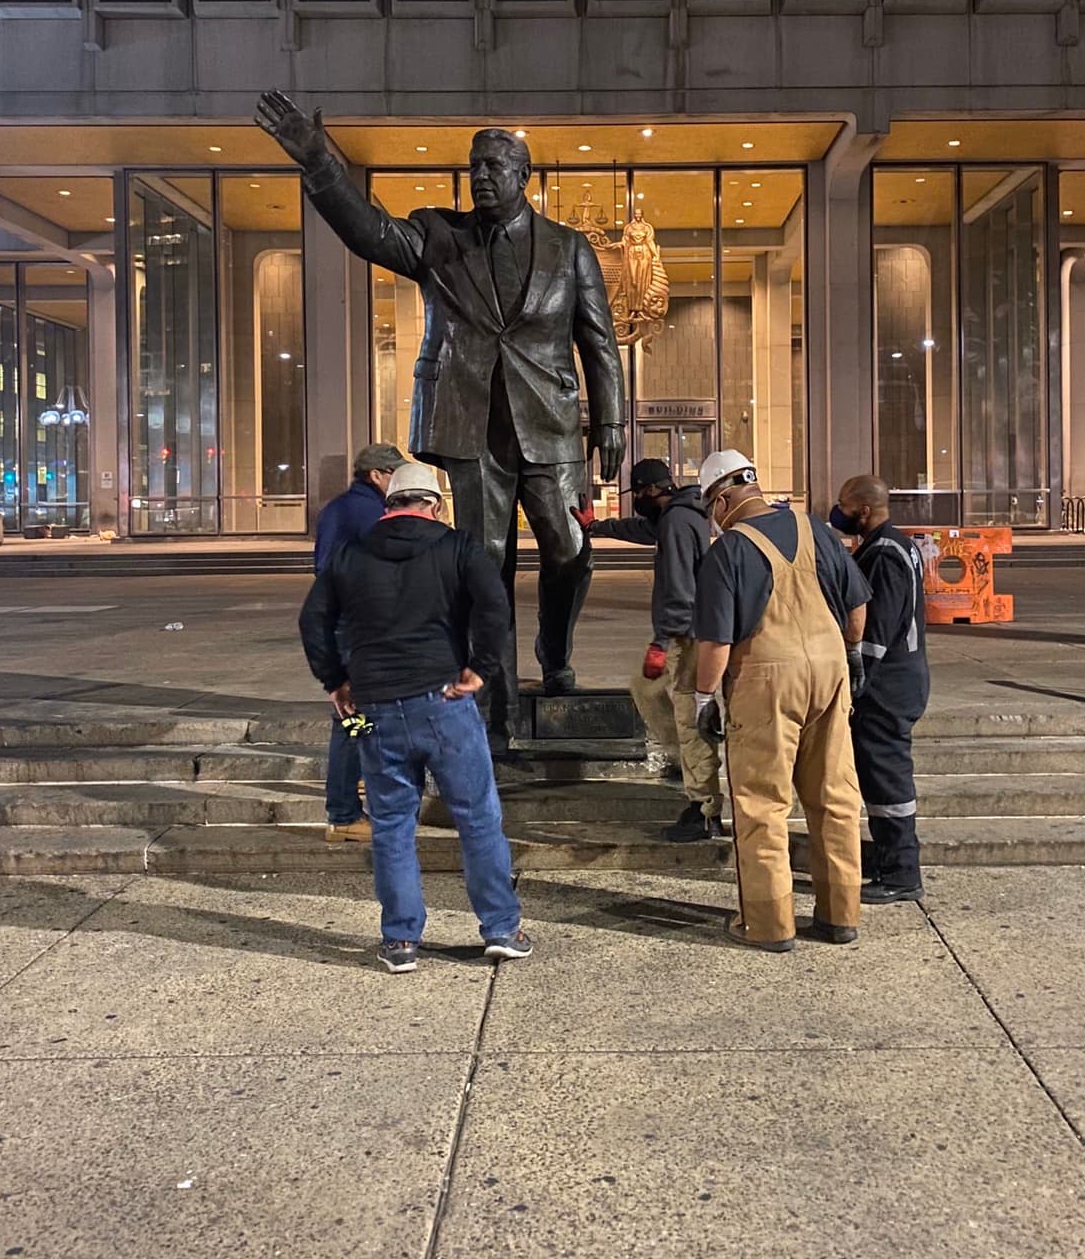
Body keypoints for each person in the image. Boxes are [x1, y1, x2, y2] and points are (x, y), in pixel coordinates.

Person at [257, 91, 626, 751]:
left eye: (494, 165)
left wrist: (614, 422)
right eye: (474, 165)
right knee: (486, 562)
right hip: (467, 418)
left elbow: (598, 339)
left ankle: (554, 648)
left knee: (569, 550)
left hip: (548, 423)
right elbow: (368, 230)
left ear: (524, 177)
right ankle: (499, 703)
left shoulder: (568, 249)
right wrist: (319, 163)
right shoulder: (437, 235)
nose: (481, 175)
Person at [300, 460, 532, 974]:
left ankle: (401, 940)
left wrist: (335, 681)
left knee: (392, 825)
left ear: (389, 505)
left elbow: (313, 620)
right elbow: (495, 606)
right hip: (444, 702)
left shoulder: (351, 554)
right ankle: (500, 928)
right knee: (477, 818)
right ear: (435, 505)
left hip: (375, 707)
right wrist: (480, 669)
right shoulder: (457, 547)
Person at [693, 450, 871, 953]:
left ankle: (769, 926)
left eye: (712, 506)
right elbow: (857, 606)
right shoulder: (815, 529)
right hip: (829, 667)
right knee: (834, 796)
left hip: (766, 678)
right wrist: (853, 657)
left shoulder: (727, 551)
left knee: (762, 804)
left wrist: (705, 698)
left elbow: (715, 644)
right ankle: (840, 916)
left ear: (723, 498)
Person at [574, 457, 724, 842]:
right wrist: (598, 526)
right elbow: (643, 528)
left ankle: (703, 807)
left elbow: (679, 589)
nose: (637, 499)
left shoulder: (676, 521)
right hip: (687, 630)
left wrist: (661, 642)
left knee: (687, 715)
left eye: (639, 492)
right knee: (647, 691)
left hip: (683, 634)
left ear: (653, 489)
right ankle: (687, 763)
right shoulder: (678, 513)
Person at [831, 474, 931, 905]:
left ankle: (901, 872)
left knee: (888, 781)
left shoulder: (885, 554)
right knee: (879, 777)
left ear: (864, 510)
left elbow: (876, 632)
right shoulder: (894, 545)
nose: (840, 513)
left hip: (888, 685)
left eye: (844, 505)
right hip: (898, 680)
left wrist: (856, 681)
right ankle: (890, 860)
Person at [311, 441, 405, 844]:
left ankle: (355, 788)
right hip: (359, 626)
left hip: (343, 622)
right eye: (395, 474)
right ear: (377, 476)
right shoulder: (370, 513)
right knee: (353, 718)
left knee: (357, 716)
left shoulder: (338, 508)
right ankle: (345, 813)